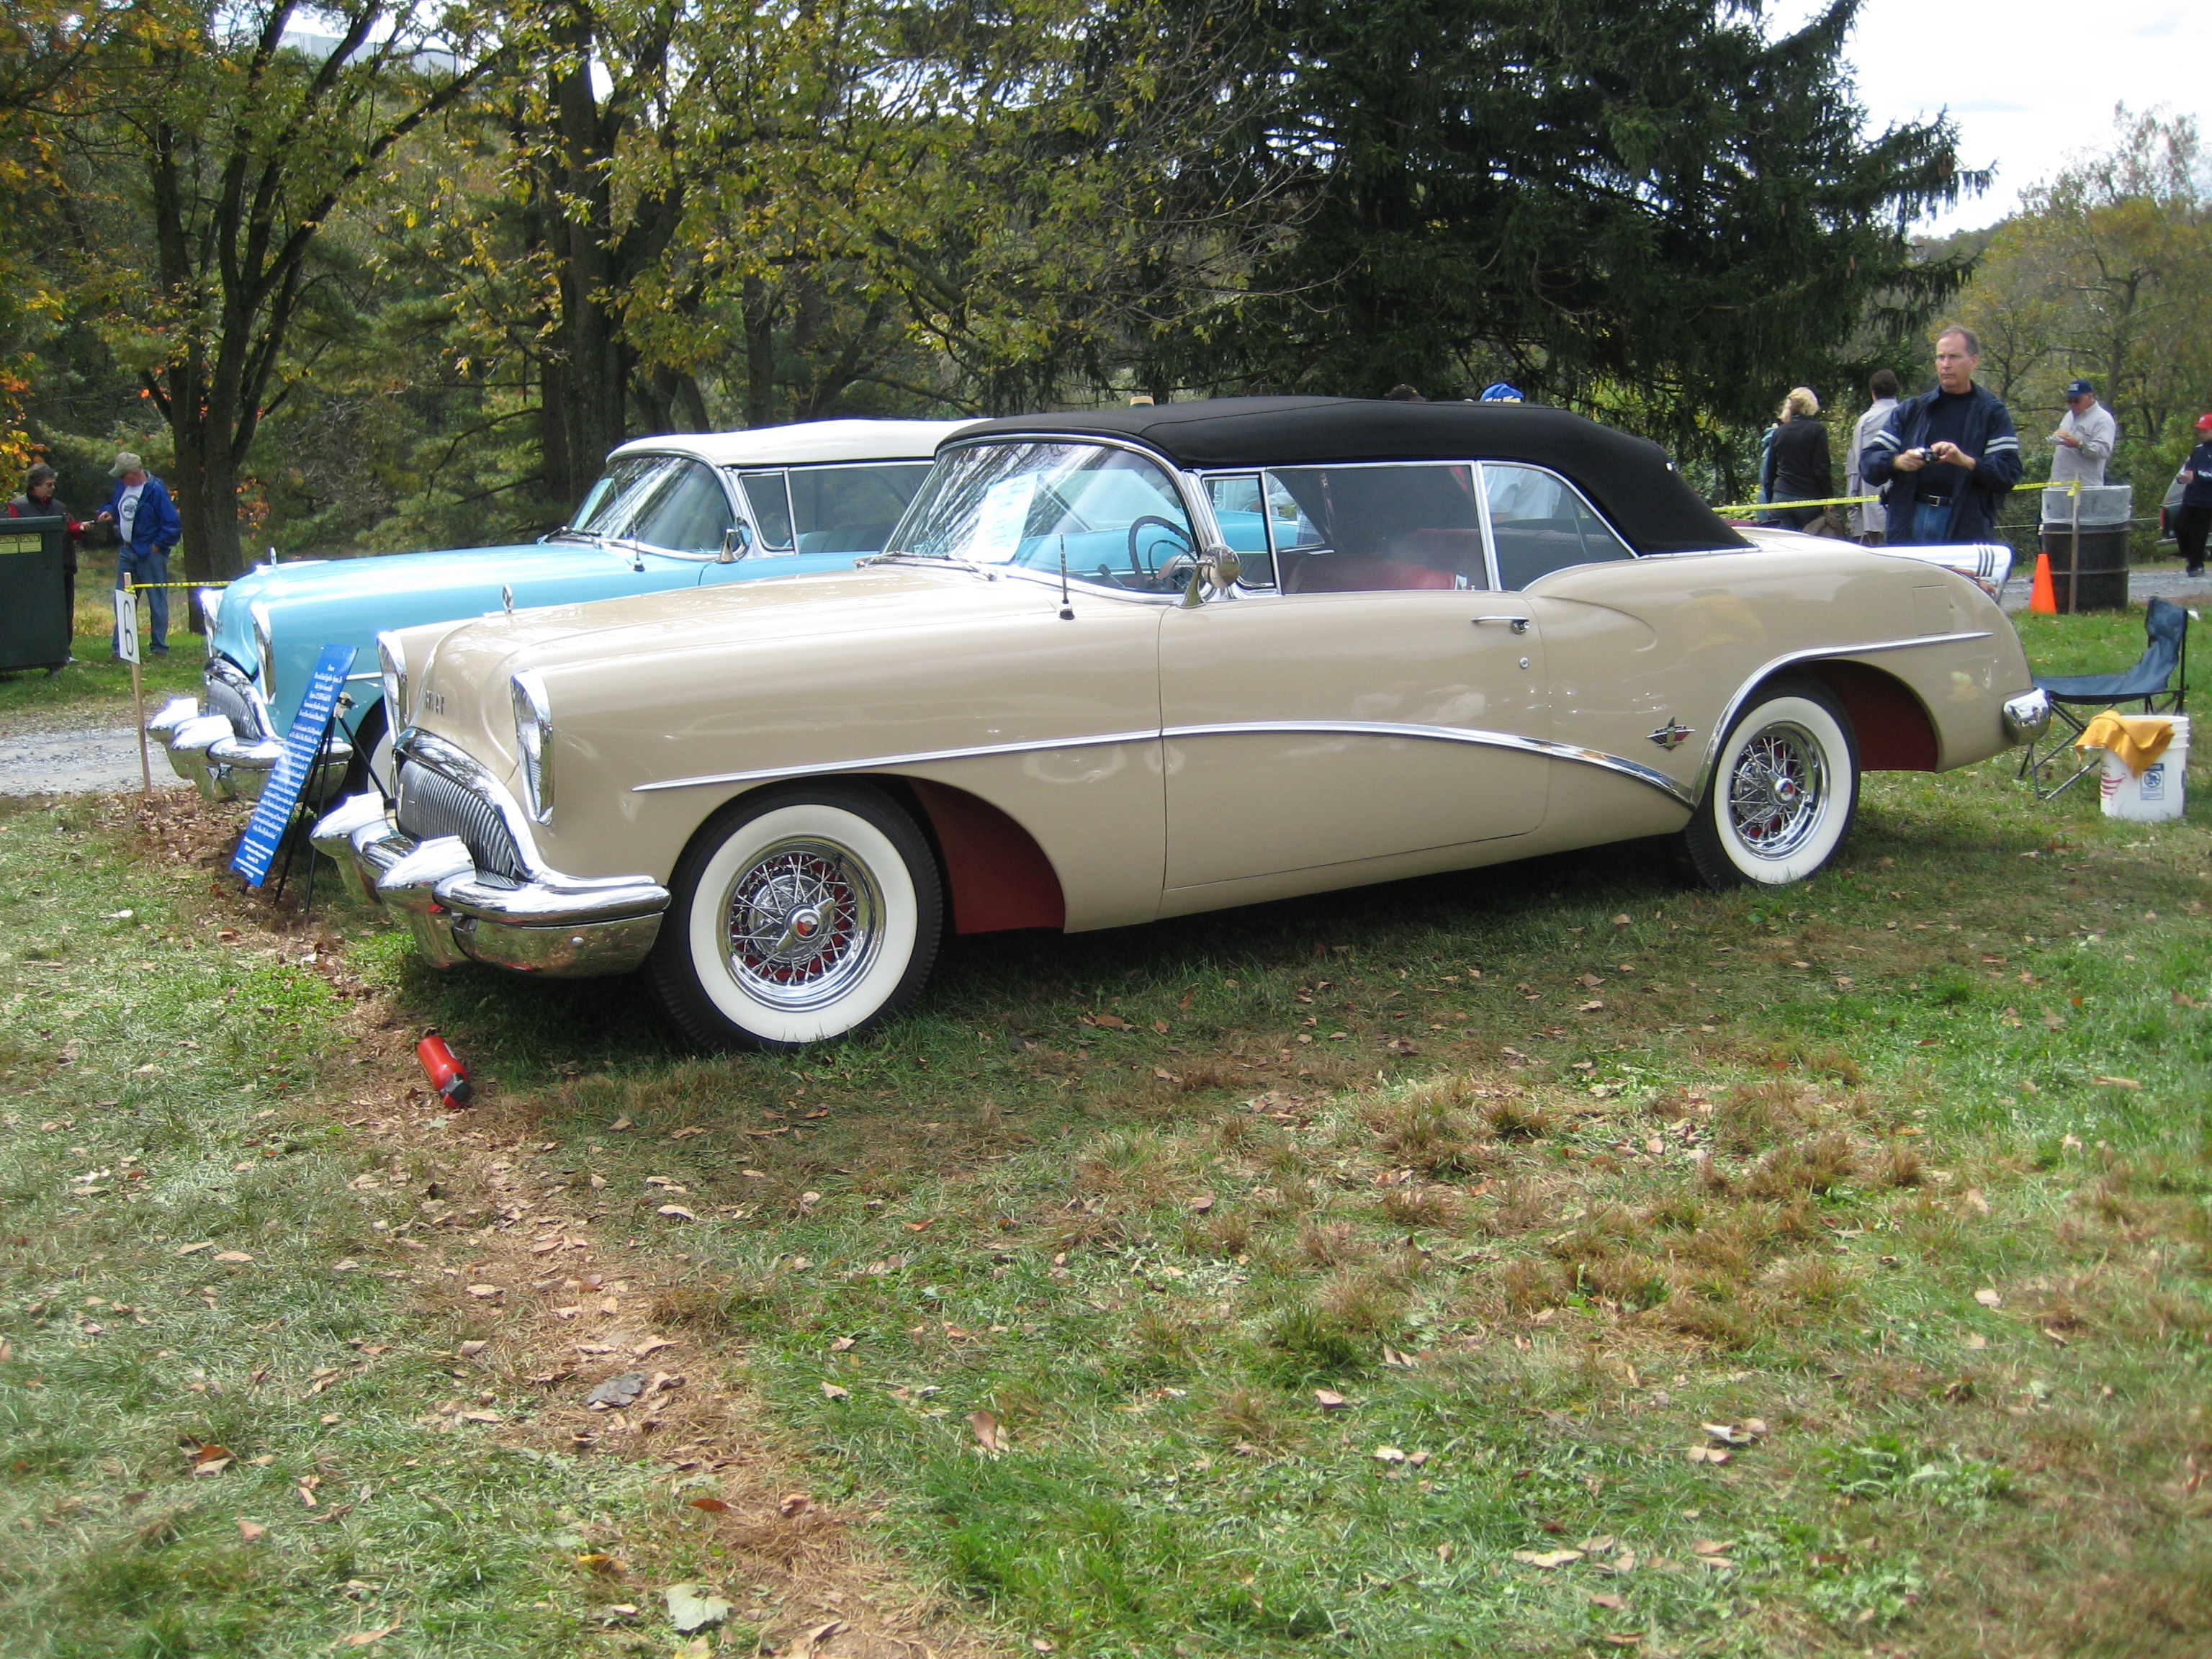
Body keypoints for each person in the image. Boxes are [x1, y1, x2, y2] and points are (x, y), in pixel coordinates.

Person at [1860, 326, 2023, 545]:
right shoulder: (1913, 409)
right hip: (1910, 520)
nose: (1946, 364)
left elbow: (2009, 473)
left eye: (1954, 357)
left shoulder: (1992, 412)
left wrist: (1967, 461)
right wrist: (1898, 461)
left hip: (1965, 525)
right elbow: (1868, 463)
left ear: (1974, 361)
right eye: (1940, 357)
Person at [95, 451, 181, 655]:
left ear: (134, 472)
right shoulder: (122, 486)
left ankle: (159, 647)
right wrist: (110, 511)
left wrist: (158, 546)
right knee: (123, 599)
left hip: (151, 553)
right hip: (127, 550)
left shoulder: (155, 489)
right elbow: (119, 506)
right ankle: (122, 648)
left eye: (122, 475)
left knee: (156, 601)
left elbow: (172, 524)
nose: (119, 479)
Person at [7, 462, 88, 660]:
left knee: (64, 612)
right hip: (32, 571)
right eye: (49, 484)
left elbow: (71, 528)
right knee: (35, 613)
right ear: (35, 485)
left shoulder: (60, 506)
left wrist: (81, 528)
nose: (53, 488)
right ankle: (34, 652)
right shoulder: (17, 507)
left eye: (53, 484)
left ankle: (63, 651)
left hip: (62, 568)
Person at [1763, 386, 1833, 531]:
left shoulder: (1779, 432)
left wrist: (1769, 500)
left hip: (1781, 497)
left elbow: (1770, 470)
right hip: (1808, 498)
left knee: (1785, 547)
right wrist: (1828, 497)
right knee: (1809, 544)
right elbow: (1821, 468)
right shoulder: (1817, 430)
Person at [1846, 369, 1900, 544]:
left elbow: (1855, 462)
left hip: (1870, 486)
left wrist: (1851, 497)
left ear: (1873, 393)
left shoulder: (1865, 421)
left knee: (1872, 536)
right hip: (1900, 485)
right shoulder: (1906, 416)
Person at [2049, 378, 2116, 486]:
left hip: (2084, 486)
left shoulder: (2102, 419)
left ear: (2090, 397)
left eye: (2076, 400)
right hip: (2058, 484)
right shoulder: (2069, 416)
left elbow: (2104, 450)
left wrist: (2079, 444)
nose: (2073, 404)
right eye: (2069, 401)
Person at [2175, 413, 2212, 579]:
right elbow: (2186, 468)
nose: (2202, 434)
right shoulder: (2197, 451)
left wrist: (2197, 476)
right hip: (2191, 497)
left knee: (2199, 532)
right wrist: (2183, 477)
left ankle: (2196, 565)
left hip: (2207, 501)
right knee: (2180, 526)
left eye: (2206, 430)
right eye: (2201, 431)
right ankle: (2191, 555)